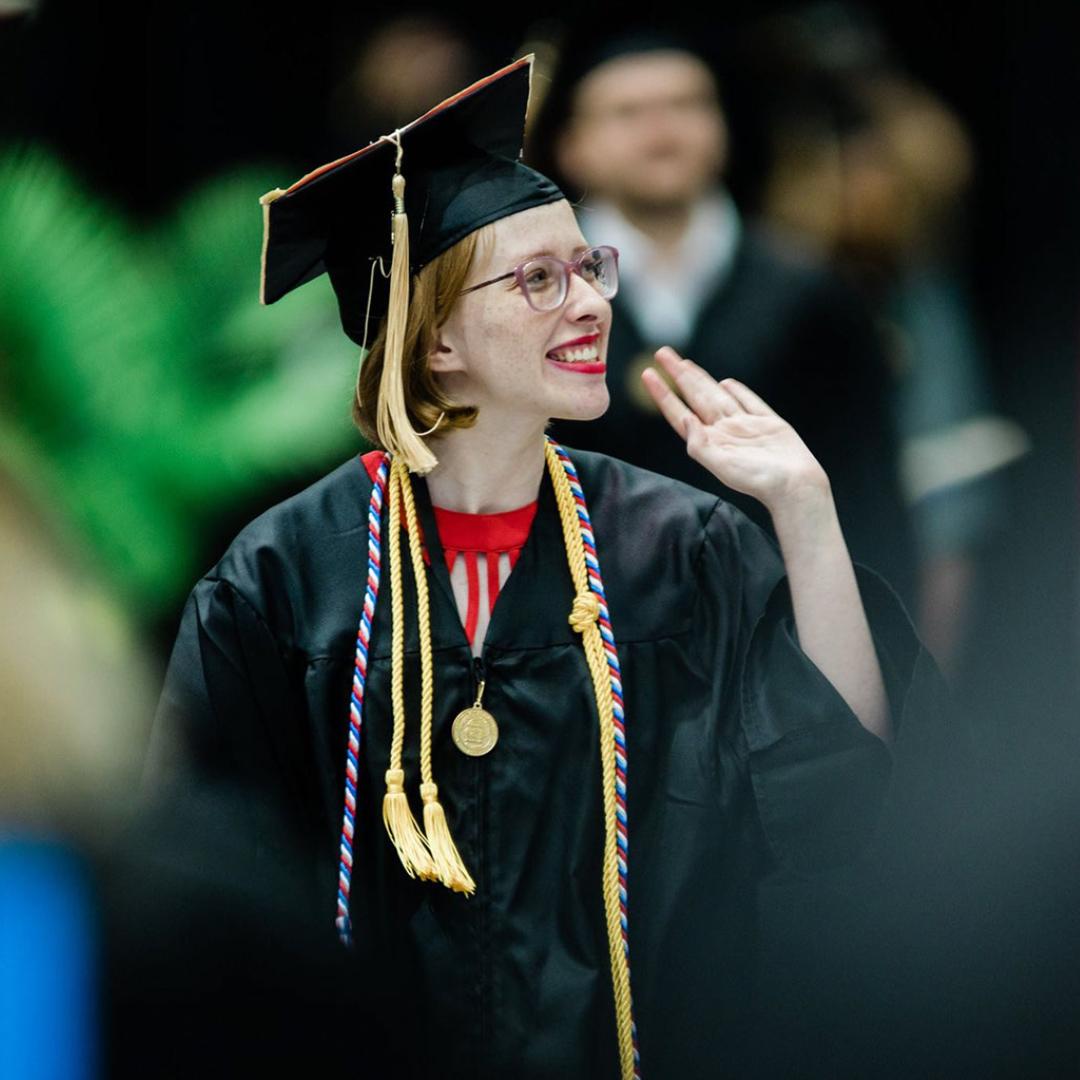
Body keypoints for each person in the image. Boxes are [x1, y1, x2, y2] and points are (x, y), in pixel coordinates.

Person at [151, 56, 943, 1079]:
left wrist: (805, 510)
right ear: (435, 339)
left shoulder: (679, 546)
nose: (590, 305)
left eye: (588, 267)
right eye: (538, 280)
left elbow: (834, 787)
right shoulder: (284, 578)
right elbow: (191, 882)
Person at [530, 34, 917, 605]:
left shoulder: (813, 293)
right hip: (584, 626)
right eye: (627, 112)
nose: (662, 131)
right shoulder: (538, 295)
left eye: (687, 105)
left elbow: (871, 493)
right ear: (571, 145)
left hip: (774, 627)